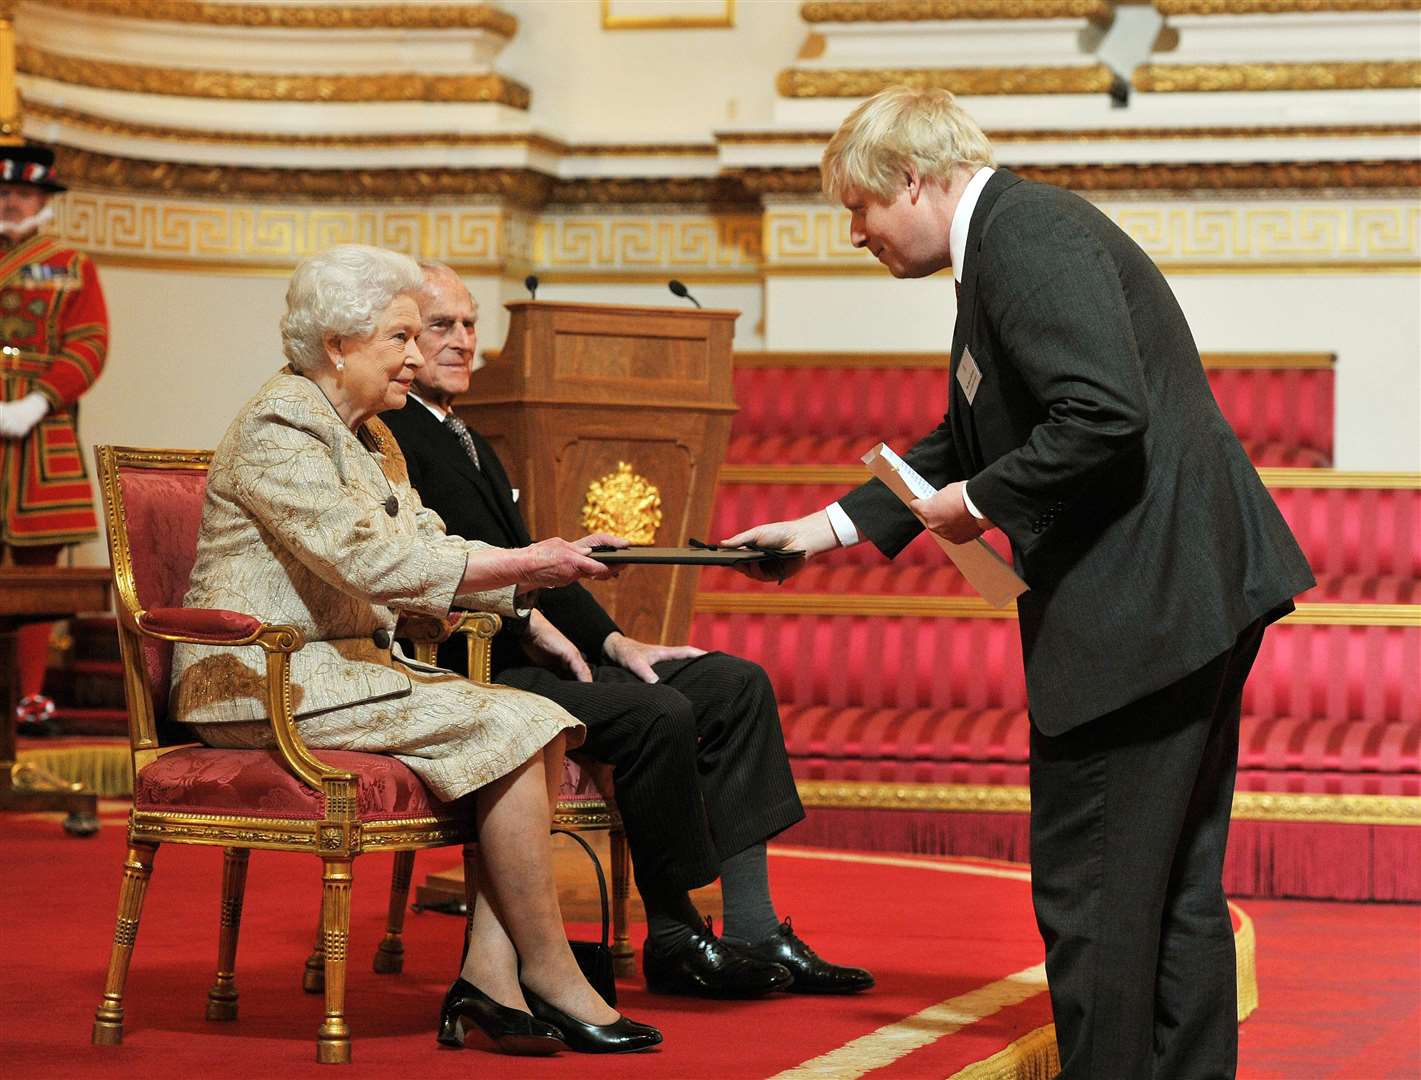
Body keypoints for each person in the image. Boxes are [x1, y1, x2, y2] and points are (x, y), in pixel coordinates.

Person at [724, 88, 1314, 1079]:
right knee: (1165, 884)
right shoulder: (1004, 242)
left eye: (856, 208)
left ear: (909, 178)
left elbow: (1099, 415)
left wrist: (978, 501)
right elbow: (965, 432)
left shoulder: (1024, 237)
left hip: (1143, 608)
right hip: (1179, 595)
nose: (852, 233)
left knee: (1094, 890)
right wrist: (822, 528)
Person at [170, 244, 661, 1056]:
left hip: (339, 669)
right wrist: (526, 560)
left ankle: (492, 980)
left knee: (535, 720)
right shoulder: (281, 424)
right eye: (398, 337)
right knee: (519, 725)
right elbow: (374, 561)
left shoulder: (368, 439)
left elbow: (426, 543)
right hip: (260, 676)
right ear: (336, 344)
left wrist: (537, 576)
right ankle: (547, 971)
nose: (414, 355)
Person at [379, 261, 874, 999]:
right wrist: (537, 592)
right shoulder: (388, 437)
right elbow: (447, 568)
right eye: (440, 326)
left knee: (733, 685)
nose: (462, 342)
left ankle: (754, 925)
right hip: (474, 668)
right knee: (656, 712)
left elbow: (529, 561)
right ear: (404, 342)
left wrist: (617, 643)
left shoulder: (465, 435)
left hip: (548, 654)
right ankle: (675, 937)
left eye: (470, 324)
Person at [0, 143, 108, 727]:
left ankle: (30, 694)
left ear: (42, 199)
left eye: (22, 193)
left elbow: (89, 342)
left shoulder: (70, 265)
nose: (12, 202)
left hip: (39, 430)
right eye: (4, 192)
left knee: (36, 569)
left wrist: (38, 401)